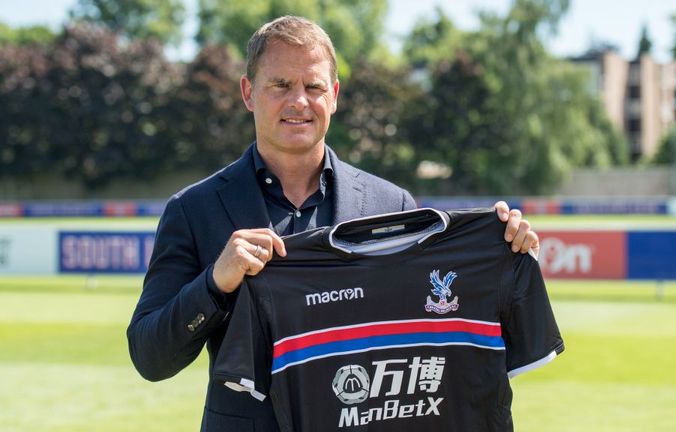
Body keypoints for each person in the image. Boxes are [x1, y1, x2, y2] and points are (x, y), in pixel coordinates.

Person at [127, 15, 539, 432]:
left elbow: (436, 324)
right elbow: (150, 357)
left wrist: (507, 252)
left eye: (314, 86)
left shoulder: (391, 204)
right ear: (249, 92)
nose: (299, 102)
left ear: (335, 95)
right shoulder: (194, 210)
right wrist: (215, 283)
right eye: (281, 85)